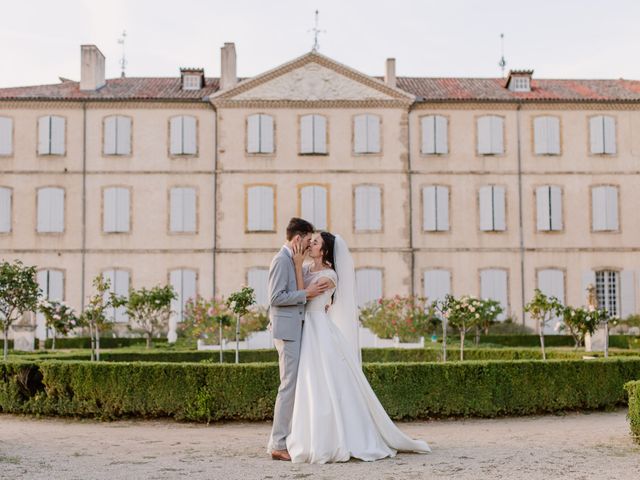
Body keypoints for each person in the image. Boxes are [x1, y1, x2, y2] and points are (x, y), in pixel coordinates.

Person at [285, 231, 431, 463]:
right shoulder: (305, 269)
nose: (309, 244)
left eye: (315, 243)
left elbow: (305, 296)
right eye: (310, 241)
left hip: (319, 330)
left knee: (325, 382)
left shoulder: (329, 276)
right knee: (308, 383)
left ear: (324, 251)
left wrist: (297, 265)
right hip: (307, 329)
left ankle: (337, 438)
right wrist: (298, 267)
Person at [267, 218, 332, 461]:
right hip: (287, 331)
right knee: (288, 387)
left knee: (294, 387)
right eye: (307, 240)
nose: (308, 245)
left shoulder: (292, 261)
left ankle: (287, 439)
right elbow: (276, 297)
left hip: (294, 329)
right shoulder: (281, 260)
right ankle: (278, 443)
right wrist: (306, 294)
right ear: (297, 238)